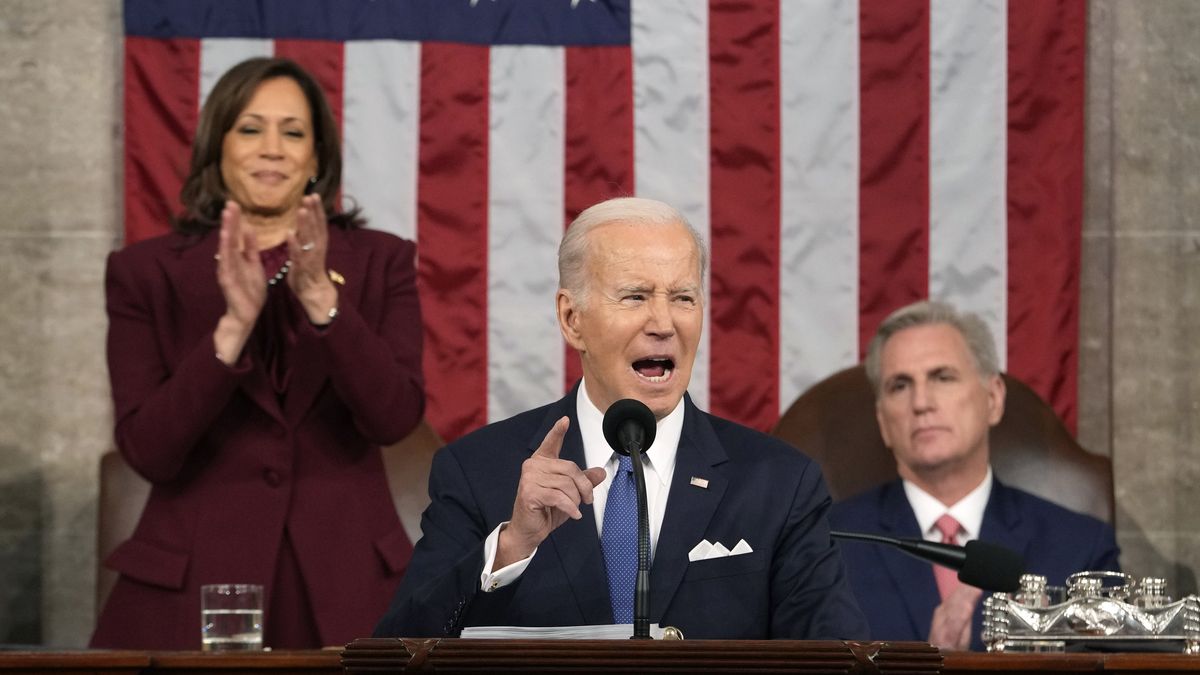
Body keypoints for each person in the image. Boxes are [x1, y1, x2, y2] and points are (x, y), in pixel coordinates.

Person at [373, 197, 867, 639]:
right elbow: (400, 652)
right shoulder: (479, 471)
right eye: (635, 296)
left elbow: (836, 656)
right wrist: (510, 549)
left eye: (683, 298)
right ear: (572, 320)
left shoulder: (779, 483)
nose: (663, 323)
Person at [91, 58, 425, 650]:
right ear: (217, 148)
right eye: (250, 129)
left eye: (293, 132)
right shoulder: (143, 274)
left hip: (345, 582)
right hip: (193, 585)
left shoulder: (382, 262)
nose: (272, 148)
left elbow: (394, 417)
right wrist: (232, 329)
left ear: (316, 158)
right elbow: (149, 451)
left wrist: (324, 303)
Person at [829, 301, 1119, 651]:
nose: (921, 402)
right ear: (882, 422)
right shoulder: (829, 545)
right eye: (900, 386)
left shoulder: (1079, 548)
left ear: (994, 399)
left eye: (943, 377)